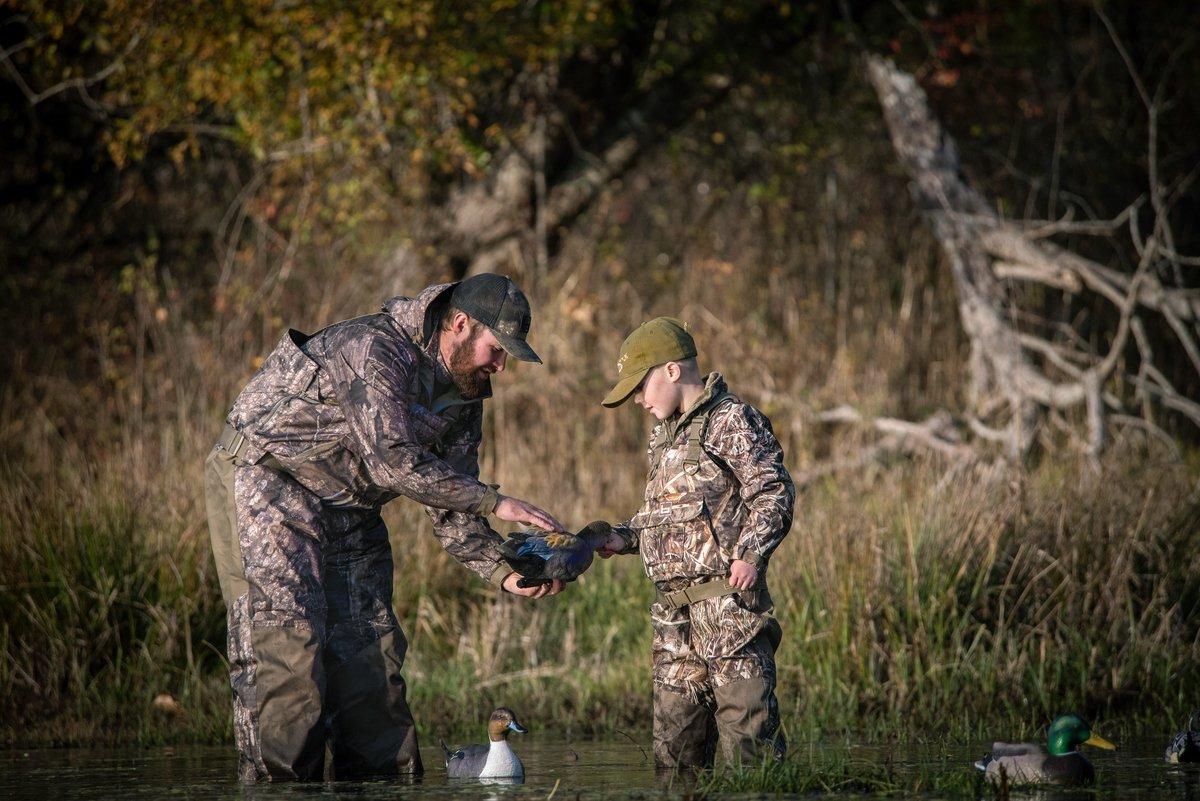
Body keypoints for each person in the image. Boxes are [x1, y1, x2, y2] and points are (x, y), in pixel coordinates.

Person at [203, 273, 565, 782]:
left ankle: (383, 786)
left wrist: (506, 570)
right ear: (459, 325)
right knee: (289, 651)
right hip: (268, 479)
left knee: (372, 656)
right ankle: (279, 791)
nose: (501, 366)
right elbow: (396, 463)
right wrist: (496, 502)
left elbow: (451, 497)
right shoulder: (373, 349)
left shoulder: (467, 393)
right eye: (496, 349)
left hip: (351, 507)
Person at [588, 317, 794, 770]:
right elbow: (668, 524)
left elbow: (774, 491)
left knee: (750, 751)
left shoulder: (732, 420)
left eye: (640, 387)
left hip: (729, 614)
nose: (638, 400)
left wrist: (751, 554)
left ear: (672, 371)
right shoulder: (663, 439)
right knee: (674, 761)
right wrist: (615, 538)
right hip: (672, 623)